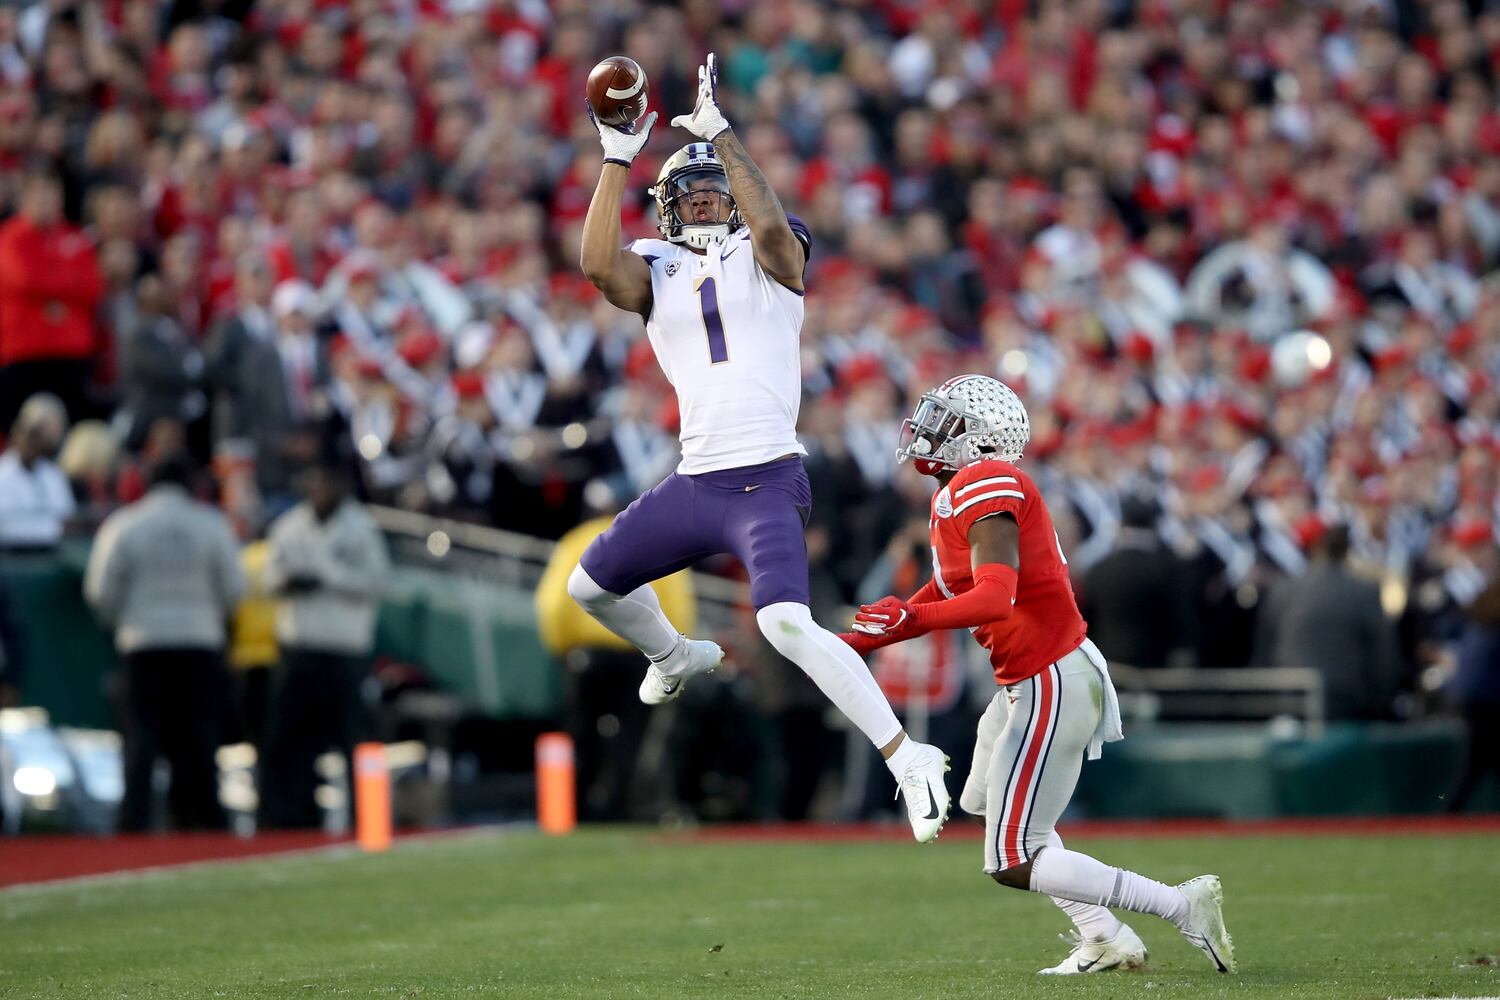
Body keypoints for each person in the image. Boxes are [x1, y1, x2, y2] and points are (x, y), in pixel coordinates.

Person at [571, 53, 951, 842]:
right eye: (693, 193)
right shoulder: (657, 264)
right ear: (668, 207)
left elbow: (773, 229)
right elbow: (595, 263)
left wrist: (721, 136)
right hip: (695, 479)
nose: (709, 201)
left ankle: (907, 755)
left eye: (718, 190)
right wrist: (614, 154)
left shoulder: (770, 250)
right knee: (589, 588)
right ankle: (675, 656)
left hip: (767, 478)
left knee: (784, 622)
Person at [845, 374, 1234, 975]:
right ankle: (1104, 936)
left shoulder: (987, 481)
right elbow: (948, 592)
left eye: (947, 420)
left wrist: (910, 614)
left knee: (1012, 858)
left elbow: (994, 598)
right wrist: (853, 641)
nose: (928, 427)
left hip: (1047, 676)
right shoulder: (959, 491)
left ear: (980, 438)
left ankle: (1181, 905)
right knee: (991, 809)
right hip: (1031, 678)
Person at [84, 452, 245, 831]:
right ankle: (205, 825)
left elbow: (100, 592)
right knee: (200, 742)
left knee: (141, 742)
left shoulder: (124, 525)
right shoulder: (211, 524)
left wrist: (123, 622)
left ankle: (134, 827)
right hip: (199, 642)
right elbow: (235, 589)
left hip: (143, 643)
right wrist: (209, 617)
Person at [258, 464, 390, 829]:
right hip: (300, 647)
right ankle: (288, 822)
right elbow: (267, 578)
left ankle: (367, 820)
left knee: (353, 739)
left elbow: (378, 581)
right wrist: (291, 582)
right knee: (290, 743)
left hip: (346, 650)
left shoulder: (361, 527)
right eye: (313, 480)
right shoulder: (289, 526)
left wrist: (330, 577)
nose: (318, 488)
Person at [1256, 523, 1402, 720]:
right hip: (1345, 707)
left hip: (1291, 703)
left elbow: (1264, 656)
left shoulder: (1283, 590)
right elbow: (1384, 664)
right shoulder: (1364, 592)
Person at [0, 167, 105, 429]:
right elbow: (23, 279)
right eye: (38, 193)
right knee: (22, 431)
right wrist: (66, 281)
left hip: (71, 354)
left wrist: (48, 285)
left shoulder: (76, 237)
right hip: (24, 354)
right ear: (24, 198)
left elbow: (93, 286)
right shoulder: (10, 238)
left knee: (72, 430)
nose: (45, 200)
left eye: (51, 193)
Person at [1079, 494, 1198, 669]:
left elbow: (1087, 623)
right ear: (1155, 524)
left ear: (1123, 523)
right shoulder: (1170, 569)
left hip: (1110, 669)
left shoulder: (1099, 569)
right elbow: (1182, 622)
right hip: (1156, 672)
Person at [0, 393, 76, 549]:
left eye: (35, 437)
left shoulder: (54, 475)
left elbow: (67, 516)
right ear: (15, 437)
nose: (30, 442)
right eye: (26, 435)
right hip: (11, 555)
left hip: (53, 551)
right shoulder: (2, 474)